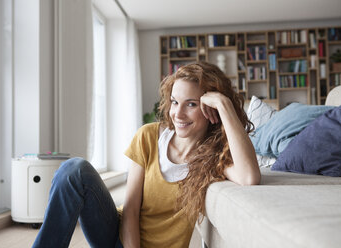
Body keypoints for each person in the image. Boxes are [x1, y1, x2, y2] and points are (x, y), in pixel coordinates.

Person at [32, 61, 260, 248]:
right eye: (174, 102)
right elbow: (130, 210)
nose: (178, 114)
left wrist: (224, 105)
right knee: (74, 170)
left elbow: (249, 177)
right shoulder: (148, 136)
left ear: (211, 110)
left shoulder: (213, 158)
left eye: (191, 104)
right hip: (117, 236)